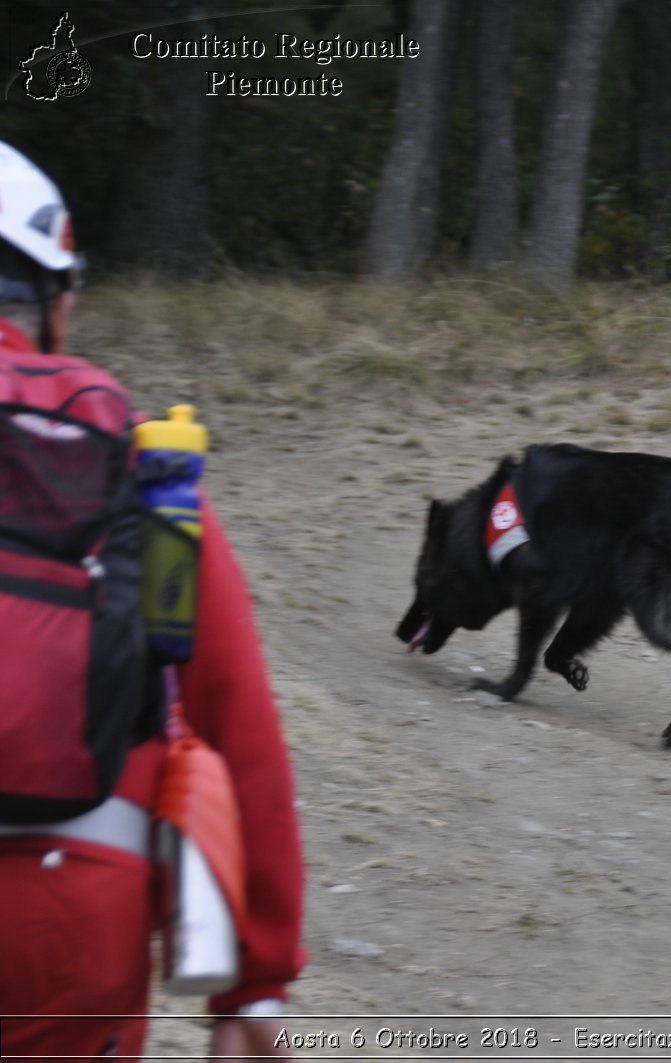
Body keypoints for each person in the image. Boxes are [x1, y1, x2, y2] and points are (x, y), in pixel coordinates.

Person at [0, 141, 307, 1058]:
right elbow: (237, 726)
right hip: (70, 914)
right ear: (58, 301)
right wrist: (252, 989)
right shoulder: (147, 478)